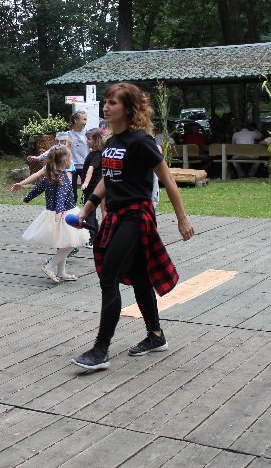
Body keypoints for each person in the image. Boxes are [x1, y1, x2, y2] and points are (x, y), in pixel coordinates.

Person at [71, 82, 194, 371]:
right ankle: (156, 335)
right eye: (106, 102)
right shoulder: (112, 141)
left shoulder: (141, 141)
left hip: (136, 216)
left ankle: (100, 350)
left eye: (113, 102)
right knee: (139, 276)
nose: (106, 107)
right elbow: (107, 178)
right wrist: (87, 208)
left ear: (129, 108)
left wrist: (182, 218)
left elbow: (168, 179)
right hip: (116, 216)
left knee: (109, 276)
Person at [11, 147, 89, 283]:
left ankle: (61, 272)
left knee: (65, 243)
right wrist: (59, 211)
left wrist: (27, 198)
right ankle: (49, 266)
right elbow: (61, 195)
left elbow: (38, 188)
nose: (71, 161)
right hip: (65, 214)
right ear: (65, 160)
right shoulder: (62, 176)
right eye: (70, 158)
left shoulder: (50, 175)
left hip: (55, 212)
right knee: (71, 244)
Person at [80, 128, 106, 244]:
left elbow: (91, 169)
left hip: (92, 188)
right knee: (92, 213)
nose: (87, 141)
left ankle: (91, 238)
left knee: (89, 213)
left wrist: (86, 182)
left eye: (89, 139)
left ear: (96, 140)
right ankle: (95, 235)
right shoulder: (94, 154)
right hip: (91, 187)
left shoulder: (96, 155)